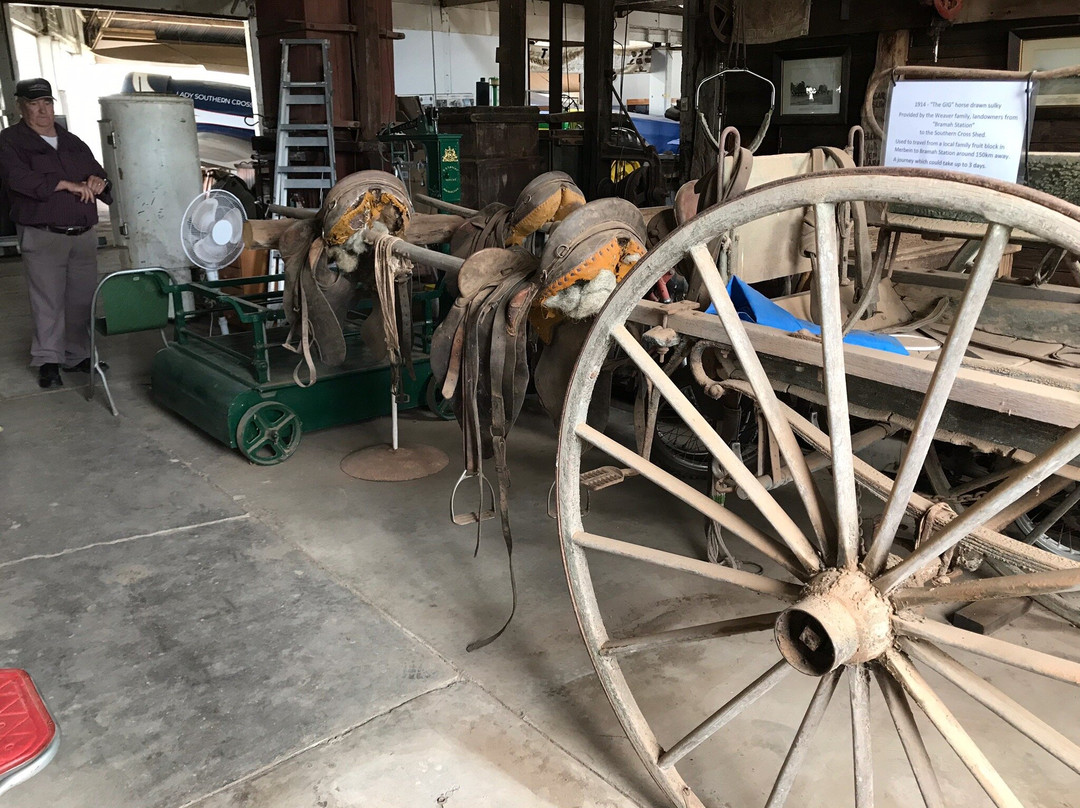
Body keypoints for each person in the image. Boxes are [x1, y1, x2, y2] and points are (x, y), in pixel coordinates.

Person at [0, 77, 112, 388]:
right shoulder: (10, 141)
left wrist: (96, 182)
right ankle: (48, 360)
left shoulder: (72, 141)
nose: (42, 110)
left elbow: (98, 172)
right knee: (47, 300)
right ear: (21, 108)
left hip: (83, 232)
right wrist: (64, 184)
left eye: (46, 103)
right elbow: (17, 179)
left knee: (80, 299)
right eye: (34, 104)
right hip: (43, 233)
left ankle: (76, 355)